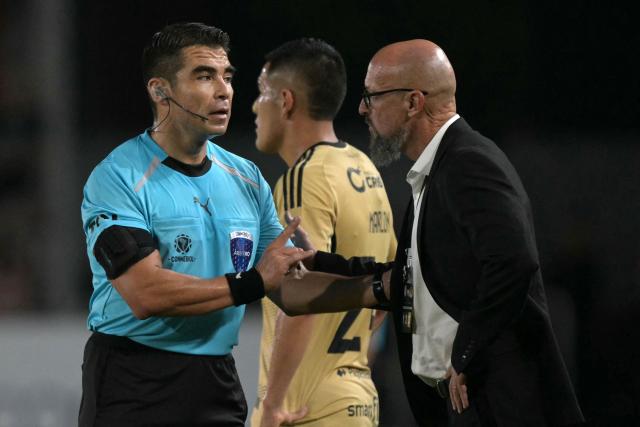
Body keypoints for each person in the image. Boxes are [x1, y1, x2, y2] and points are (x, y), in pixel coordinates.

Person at [273, 39, 586, 426]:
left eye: (371, 95)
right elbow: (414, 279)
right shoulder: (438, 168)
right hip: (465, 402)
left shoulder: (467, 162)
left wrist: (465, 351)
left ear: (412, 102)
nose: (361, 108)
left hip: (495, 403)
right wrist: (317, 261)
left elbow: (514, 261)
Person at [78, 22, 311, 427]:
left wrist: (376, 285)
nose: (224, 90)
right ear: (160, 90)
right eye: (204, 76)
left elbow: (288, 285)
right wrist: (253, 283)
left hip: (216, 379)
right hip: (133, 381)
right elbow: (145, 293)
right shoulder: (117, 176)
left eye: (227, 77)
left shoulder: (246, 177)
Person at [250, 38, 397, 427]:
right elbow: (389, 284)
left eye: (261, 93)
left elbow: (302, 295)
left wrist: (274, 403)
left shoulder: (305, 177)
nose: (254, 106)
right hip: (355, 396)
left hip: (303, 407)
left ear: (285, 101)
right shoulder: (365, 170)